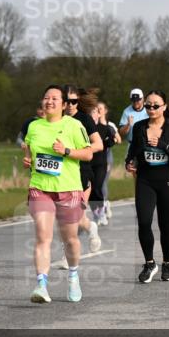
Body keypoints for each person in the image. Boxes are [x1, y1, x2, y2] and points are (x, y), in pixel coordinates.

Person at [22, 85, 93, 304]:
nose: (49, 101)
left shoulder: (74, 125)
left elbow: (88, 153)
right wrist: (28, 159)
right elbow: (28, 148)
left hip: (68, 189)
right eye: (46, 97)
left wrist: (67, 151)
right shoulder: (34, 126)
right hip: (40, 188)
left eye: (54, 98)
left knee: (70, 239)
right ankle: (41, 285)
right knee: (43, 237)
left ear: (63, 104)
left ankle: (73, 275)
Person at [125, 90, 169, 283]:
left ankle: (167, 263)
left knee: (165, 225)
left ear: (164, 107)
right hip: (145, 180)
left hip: (167, 181)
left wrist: (162, 145)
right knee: (143, 222)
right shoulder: (140, 126)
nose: (151, 108)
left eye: (155, 106)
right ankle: (149, 263)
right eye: (148, 105)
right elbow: (133, 151)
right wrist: (129, 163)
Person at [65, 86, 104, 254]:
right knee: (72, 218)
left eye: (74, 101)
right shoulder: (55, 120)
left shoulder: (84, 119)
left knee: (74, 217)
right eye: (67, 101)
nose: (70, 105)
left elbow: (99, 144)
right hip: (61, 174)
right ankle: (91, 227)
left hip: (82, 173)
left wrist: (76, 151)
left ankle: (68, 256)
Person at [89, 102, 117, 226]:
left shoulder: (105, 128)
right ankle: (96, 213)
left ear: (99, 114)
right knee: (90, 190)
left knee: (98, 187)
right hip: (88, 164)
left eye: (95, 112)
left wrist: (111, 140)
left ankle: (101, 212)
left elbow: (111, 142)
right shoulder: (84, 129)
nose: (92, 114)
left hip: (101, 163)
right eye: (90, 112)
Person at [96, 101, 120, 224]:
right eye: (96, 109)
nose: (98, 111)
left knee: (102, 183)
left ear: (105, 111)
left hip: (106, 157)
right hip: (95, 158)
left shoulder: (110, 125)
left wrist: (112, 139)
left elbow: (118, 139)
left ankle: (104, 207)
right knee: (95, 185)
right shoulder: (93, 124)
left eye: (100, 108)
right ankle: (102, 207)